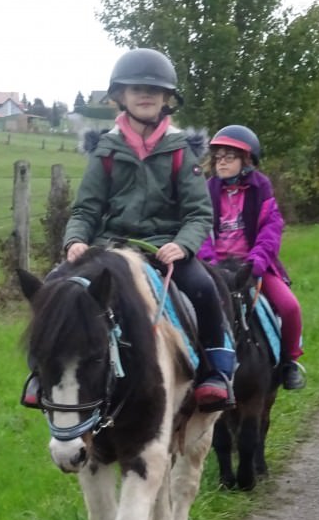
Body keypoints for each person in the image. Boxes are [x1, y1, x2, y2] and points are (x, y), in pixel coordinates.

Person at [63, 47, 236, 411]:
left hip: (164, 248)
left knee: (204, 288)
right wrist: (76, 239)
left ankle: (215, 372)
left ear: (166, 100)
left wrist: (183, 245)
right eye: (136, 88)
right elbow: (86, 208)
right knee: (56, 287)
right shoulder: (105, 151)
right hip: (110, 248)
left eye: (154, 90)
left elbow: (199, 213)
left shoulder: (180, 151)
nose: (145, 95)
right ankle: (50, 373)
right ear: (120, 96)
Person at [197, 124, 306, 390]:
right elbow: (199, 227)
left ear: (247, 161)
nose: (221, 162)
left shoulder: (261, 188)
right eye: (218, 157)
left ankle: (289, 362)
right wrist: (210, 262)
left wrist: (257, 262)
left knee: (290, 307)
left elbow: (271, 227)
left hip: (252, 265)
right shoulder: (207, 190)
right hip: (216, 267)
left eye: (229, 157)